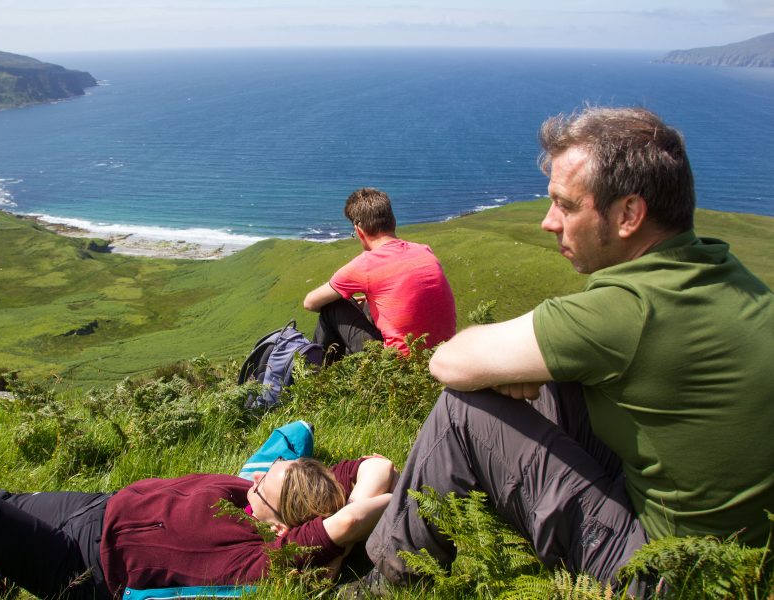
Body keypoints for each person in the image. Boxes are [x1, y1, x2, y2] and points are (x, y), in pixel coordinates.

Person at [365, 107, 774, 591]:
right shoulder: (733, 278)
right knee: (562, 380)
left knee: (463, 409)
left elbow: (448, 361)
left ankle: (390, 581)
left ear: (628, 215)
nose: (548, 222)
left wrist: (505, 370)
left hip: (668, 576)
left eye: (565, 205)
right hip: (743, 564)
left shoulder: (627, 312)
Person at [0, 445, 397, 599]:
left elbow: (350, 519)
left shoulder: (261, 557)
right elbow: (377, 466)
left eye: (267, 485)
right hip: (97, 508)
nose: (259, 476)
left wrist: (340, 551)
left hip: (83, 567)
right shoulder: (252, 497)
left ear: (285, 527)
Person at [303, 187, 456, 358]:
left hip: (396, 364)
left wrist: (347, 299)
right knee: (367, 304)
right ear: (393, 221)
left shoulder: (365, 265)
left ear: (359, 230)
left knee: (332, 306)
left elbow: (310, 303)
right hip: (442, 357)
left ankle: (315, 375)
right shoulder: (424, 251)